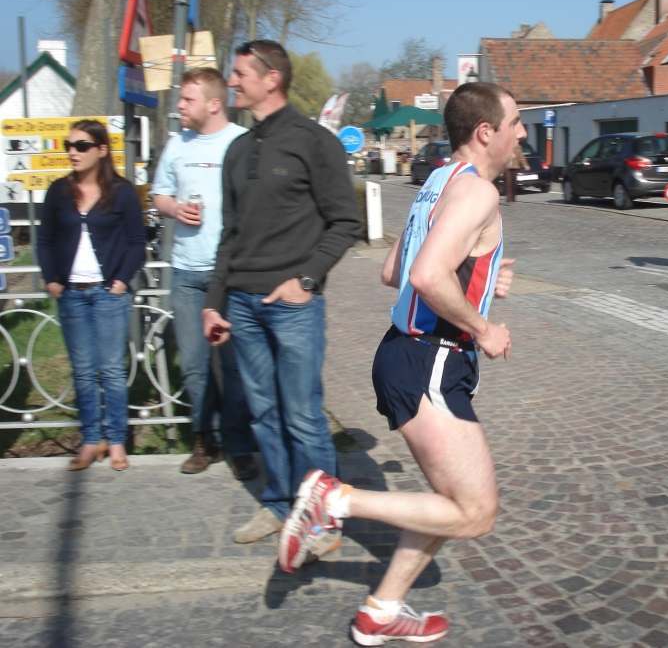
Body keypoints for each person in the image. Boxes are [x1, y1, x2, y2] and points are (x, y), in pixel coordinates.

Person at [278, 82, 521, 646]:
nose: (522, 133)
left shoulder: (439, 179)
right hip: (429, 358)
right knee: (476, 510)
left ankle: (382, 610)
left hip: (411, 355)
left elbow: (394, 268)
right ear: (485, 132)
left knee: (449, 500)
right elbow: (424, 276)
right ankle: (335, 500)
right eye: (515, 122)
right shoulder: (478, 193)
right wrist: (484, 327)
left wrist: (483, 284)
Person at [202, 40, 362, 543]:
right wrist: (213, 301)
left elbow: (346, 221)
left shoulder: (314, 142)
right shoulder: (237, 150)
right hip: (243, 306)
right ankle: (278, 504)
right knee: (264, 411)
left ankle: (322, 519)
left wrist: (307, 280)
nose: (232, 82)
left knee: (302, 414)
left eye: (241, 73)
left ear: (271, 78)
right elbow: (229, 234)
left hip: (293, 305)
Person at [151, 67, 257, 479]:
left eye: (187, 99)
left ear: (214, 104)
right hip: (186, 270)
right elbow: (159, 194)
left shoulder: (240, 143)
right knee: (195, 363)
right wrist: (176, 208)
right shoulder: (176, 144)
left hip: (229, 273)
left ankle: (240, 445)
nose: (179, 105)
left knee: (232, 365)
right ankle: (205, 439)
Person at [37, 120, 145, 471]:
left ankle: (115, 441)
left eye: (82, 146)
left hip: (108, 294)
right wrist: (52, 278)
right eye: (69, 145)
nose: (73, 152)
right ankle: (90, 439)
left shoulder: (123, 192)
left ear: (101, 150)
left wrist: (121, 280)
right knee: (83, 371)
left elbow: (136, 242)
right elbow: (46, 239)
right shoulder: (58, 191)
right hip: (72, 294)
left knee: (112, 370)